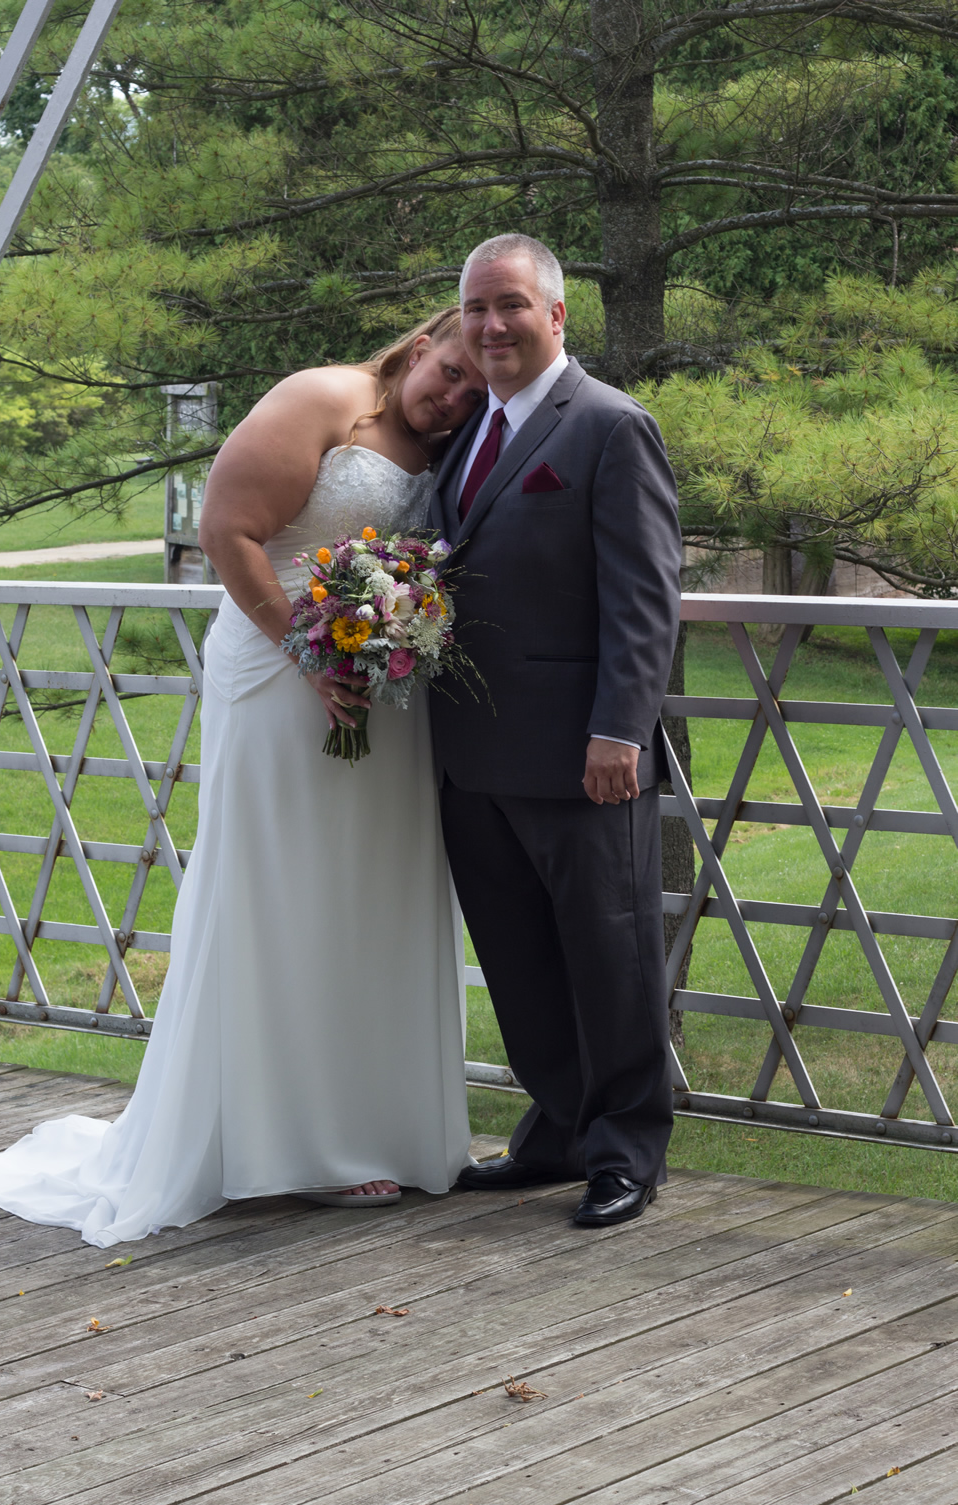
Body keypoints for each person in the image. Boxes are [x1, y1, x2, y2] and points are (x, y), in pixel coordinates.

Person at [0, 307, 488, 1247]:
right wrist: (310, 656)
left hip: (383, 691)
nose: (454, 398)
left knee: (371, 893)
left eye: (473, 391)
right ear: (420, 345)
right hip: (281, 674)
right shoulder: (325, 396)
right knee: (284, 890)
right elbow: (226, 530)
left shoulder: (445, 446)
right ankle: (282, 1141)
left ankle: (378, 1125)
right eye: (449, 371)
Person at [429, 235, 681, 1229]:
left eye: (511, 306)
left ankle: (625, 1151)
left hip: (584, 758)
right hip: (472, 759)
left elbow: (643, 596)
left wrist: (620, 729)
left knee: (612, 959)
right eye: (475, 308)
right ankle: (557, 1133)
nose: (491, 326)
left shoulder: (610, 425)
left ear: (556, 314)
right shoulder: (466, 432)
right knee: (520, 963)